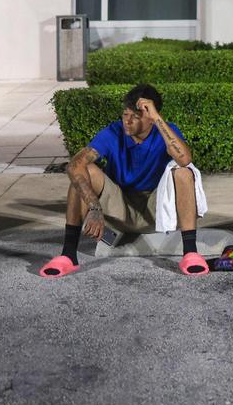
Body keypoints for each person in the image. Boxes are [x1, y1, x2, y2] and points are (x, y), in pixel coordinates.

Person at [39, 83, 215, 278]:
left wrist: (157, 118)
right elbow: (74, 165)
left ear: (150, 118)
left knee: (184, 172)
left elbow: (185, 159)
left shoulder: (166, 130)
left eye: (136, 116)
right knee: (83, 170)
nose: (127, 121)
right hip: (120, 206)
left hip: (156, 210)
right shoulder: (114, 132)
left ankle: (190, 253)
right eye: (125, 114)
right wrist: (94, 208)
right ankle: (68, 256)